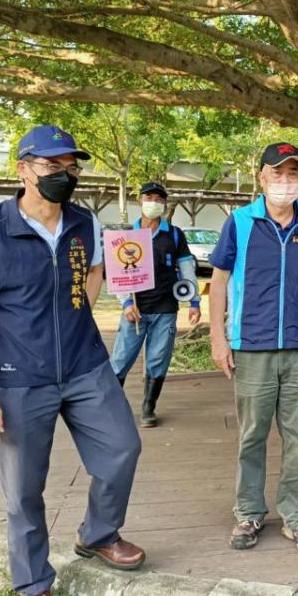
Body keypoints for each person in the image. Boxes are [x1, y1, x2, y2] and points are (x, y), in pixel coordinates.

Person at [0, 125, 144, 596]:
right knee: (24, 488)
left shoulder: (84, 223)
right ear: (23, 170)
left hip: (86, 366)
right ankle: (34, 584)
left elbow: (95, 270)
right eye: (51, 165)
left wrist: (80, 315)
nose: (64, 174)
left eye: (70, 166)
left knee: (122, 448)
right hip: (19, 376)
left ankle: (98, 533)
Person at [209, 142, 298, 557]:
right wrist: (217, 337)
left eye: (292, 174)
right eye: (277, 174)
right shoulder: (241, 223)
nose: (284, 182)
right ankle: (249, 512)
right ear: (261, 177)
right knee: (252, 436)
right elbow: (220, 279)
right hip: (252, 346)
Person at [110, 182, 202, 427]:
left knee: (158, 359)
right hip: (135, 310)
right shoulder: (126, 236)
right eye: (149, 197)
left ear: (164, 204)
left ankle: (149, 407)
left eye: (159, 199)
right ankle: (112, 408)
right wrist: (127, 303)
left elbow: (186, 269)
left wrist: (194, 301)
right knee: (120, 359)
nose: (154, 203)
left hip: (165, 308)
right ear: (140, 200)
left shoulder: (174, 234)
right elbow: (118, 273)